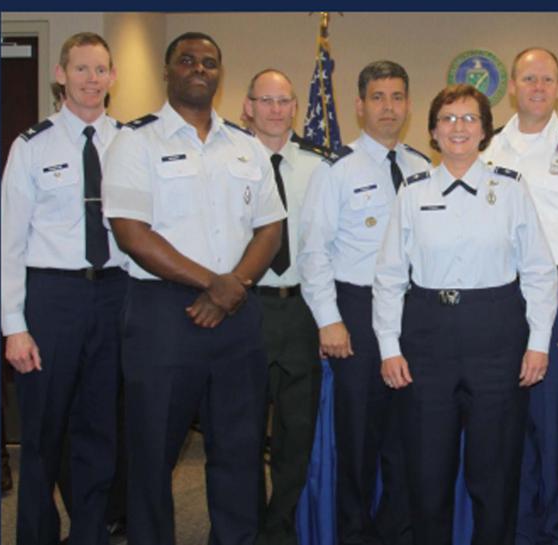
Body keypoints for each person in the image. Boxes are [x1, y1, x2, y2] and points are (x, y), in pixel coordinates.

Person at [101, 31, 286, 545]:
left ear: (219, 74)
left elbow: (270, 227)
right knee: (152, 450)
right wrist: (214, 283)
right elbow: (132, 233)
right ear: (168, 71)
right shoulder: (135, 141)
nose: (199, 68)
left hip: (237, 314)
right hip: (163, 314)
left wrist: (236, 284)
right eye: (187, 60)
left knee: (239, 448)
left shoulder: (245, 145)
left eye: (209, 62)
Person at [374, 83, 557, 545]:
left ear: (485, 131)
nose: (459, 128)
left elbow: (539, 271)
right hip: (427, 337)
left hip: (495, 335)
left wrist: (538, 343)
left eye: (469, 118)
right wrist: (389, 347)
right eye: (448, 119)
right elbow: (391, 275)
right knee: (427, 471)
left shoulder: (511, 190)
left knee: (493, 472)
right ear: (433, 130)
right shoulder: (413, 192)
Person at [1, 31, 126, 545]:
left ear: (113, 77)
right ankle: (35, 533)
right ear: (60, 74)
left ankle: (91, 532)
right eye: (81, 69)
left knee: (100, 430)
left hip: (115, 296)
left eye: (100, 69)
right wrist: (14, 327)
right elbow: (9, 242)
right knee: (43, 434)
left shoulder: (131, 143)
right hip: (52, 297)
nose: (91, 79)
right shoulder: (32, 146)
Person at [298, 60, 431, 545]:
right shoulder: (335, 171)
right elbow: (313, 254)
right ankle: (354, 534)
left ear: (409, 105)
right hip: (356, 309)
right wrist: (329, 321)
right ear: (359, 105)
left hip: (413, 314)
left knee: (408, 435)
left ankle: (398, 531)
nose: (388, 107)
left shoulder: (423, 168)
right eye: (378, 97)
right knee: (358, 438)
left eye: (397, 97)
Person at [481, 47, 558, 545]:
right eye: (528, 78)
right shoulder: (487, 146)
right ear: (512, 85)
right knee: (501, 422)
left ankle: (553, 533)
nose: (537, 87)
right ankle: (512, 531)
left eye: (547, 79)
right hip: (496, 293)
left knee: (552, 429)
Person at [241, 68, 331, 545]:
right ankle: (242, 525)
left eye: (284, 101)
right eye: (266, 100)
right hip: (244, 307)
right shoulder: (227, 158)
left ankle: (281, 529)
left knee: (297, 432)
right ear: (248, 106)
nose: (276, 110)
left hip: (300, 310)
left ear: (296, 107)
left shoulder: (321, 165)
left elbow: (328, 242)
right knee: (241, 430)